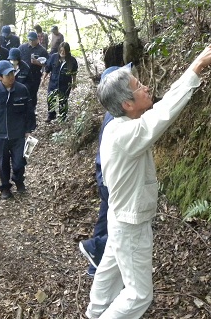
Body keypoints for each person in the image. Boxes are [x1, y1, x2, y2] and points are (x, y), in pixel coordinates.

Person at [85, 37, 211, 318]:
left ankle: (94, 312)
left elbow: (158, 109)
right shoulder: (127, 134)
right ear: (126, 104)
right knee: (138, 295)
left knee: (109, 272)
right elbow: (164, 112)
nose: (146, 87)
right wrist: (196, 66)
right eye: (138, 86)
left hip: (120, 217)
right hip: (130, 222)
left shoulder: (121, 127)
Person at [79, 65, 131, 277]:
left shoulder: (115, 113)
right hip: (110, 179)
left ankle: (96, 263)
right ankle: (96, 249)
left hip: (107, 178)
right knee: (120, 224)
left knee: (106, 220)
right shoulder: (115, 117)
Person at [0, 61, 36, 199]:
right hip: (1, 134)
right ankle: (5, 188)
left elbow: (29, 111)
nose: (11, 76)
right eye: (7, 75)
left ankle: (18, 179)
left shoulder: (22, 89)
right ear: (0, 77)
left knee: (19, 161)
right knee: (3, 162)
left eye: (12, 73)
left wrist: (29, 129)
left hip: (18, 134)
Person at [42, 41, 78, 123]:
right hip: (53, 82)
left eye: (64, 51)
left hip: (65, 83)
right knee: (51, 99)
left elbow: (74, 73)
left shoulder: (72, 60)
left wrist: (74, 83)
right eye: (61, 51)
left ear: (68, 51)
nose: (62, 53)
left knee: (63, 101)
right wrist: (43, 79)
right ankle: (51, 115)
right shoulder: (54, 57)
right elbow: (47, 69)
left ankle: (63, 117)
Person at [18, 31, 50, 113]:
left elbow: (48, 64)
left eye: (33, 40)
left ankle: (32, 109)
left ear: (37, 40)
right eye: (30, 40)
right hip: (22, 75)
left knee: (33, 92)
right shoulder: (22, 48)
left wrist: (38, 63)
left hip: (35, 75)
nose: (31, 42)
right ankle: (23, 108)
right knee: (22, 91)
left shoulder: (42, 50)